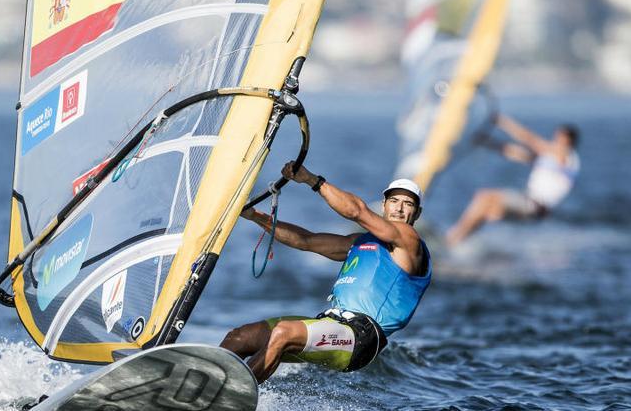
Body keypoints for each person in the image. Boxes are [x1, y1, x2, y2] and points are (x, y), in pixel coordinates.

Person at [220, 161, 432, 384]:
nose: (399, 209)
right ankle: (202, 387)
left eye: (407, 204)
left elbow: (357, 211)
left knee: (283, 333)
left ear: (417, 213)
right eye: (394, 201)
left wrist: (311, 180)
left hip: (360, 338)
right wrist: (255, 216)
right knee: (239, 337)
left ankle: (230, 398)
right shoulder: (359, 242)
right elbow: (306, 241)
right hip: (332, 324)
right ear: (384, 206)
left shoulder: (410, 241)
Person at [446, 114, 580, 245]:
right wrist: (489, 143)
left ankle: (451, 239)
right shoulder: (551, 158)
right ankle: (459, 242)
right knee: (487, 209)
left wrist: (502, 122)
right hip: (530, 204)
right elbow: (519, 154)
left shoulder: (565, 156)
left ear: (567, 141)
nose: (554, 140)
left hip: (534, 206)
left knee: (484, 197)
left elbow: (530, 140)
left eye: (558, 138)